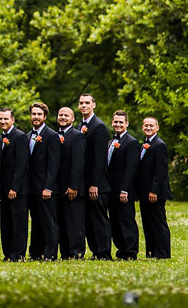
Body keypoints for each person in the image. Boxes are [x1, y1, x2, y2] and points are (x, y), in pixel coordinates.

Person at [76, 93, 112, 259]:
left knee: (99, 219)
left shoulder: (99, 127)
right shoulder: (79, 125)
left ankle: (103, 252)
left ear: (93, 105)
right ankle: (96, 251)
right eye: (81, 103)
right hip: (84, 182)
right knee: (89, 220)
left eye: (87, 103)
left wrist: (95, 184)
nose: (84, 106)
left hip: (97, 184)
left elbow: (100, 159)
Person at [27, 101, 60, 261]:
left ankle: (50, 254)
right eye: (34, 114)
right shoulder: (28, 136)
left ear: (45, 117)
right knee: (36, 221)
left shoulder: (52, 136)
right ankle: (36, 252)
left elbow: (54, 165)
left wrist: (48, 187)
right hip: (32, 188)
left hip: (46, 188)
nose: (36, 117)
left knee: (49, 222)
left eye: (39, 114)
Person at [137, 116, 172, 259]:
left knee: (158, 224)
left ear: (157, 128)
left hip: (155, 193)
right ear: (142, 127)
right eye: (146, 125)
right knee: (148, 224)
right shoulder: (144, 145)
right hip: (145, 193)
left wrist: (154, 191)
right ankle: (151, 253)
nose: (148, 128)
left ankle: (163, 254)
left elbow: (161, 171)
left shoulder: (159, 145)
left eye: (151, 125)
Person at [107, 110, 139, 260]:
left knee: (126, 221)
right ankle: (121, 250)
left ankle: (131, 252)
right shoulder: (111, 142)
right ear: (112, 123)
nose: (118, 124)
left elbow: (131, 169)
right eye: (116, 122)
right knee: (115, 221)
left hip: (124, 191)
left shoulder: (131, 142)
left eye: (121, 122)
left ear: (127, 124)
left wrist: (125, 190)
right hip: (111, 190)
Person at [0, 107, 28, 262]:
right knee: (6, 223)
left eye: (6, 119)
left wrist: (14, 188)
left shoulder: (20, 137)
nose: (2, 121)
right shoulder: (0, 138)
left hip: (17, 189)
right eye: (0, 119)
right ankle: (8, 253)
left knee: (18, 223)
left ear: (13, 120)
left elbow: (21, 165)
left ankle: (18, 254)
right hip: (4, 189)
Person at [55, 106, 86, 260]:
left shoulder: (77, 136)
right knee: (63, 221)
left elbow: (78, 164)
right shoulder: (55, 136)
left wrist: (73, 186)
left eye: (66, 115)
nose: (63, 118)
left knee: (75, 222)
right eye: (60, 115)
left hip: (73, 188)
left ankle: (77, 252)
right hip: (59, 188)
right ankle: (65, 252)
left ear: (73, 119)